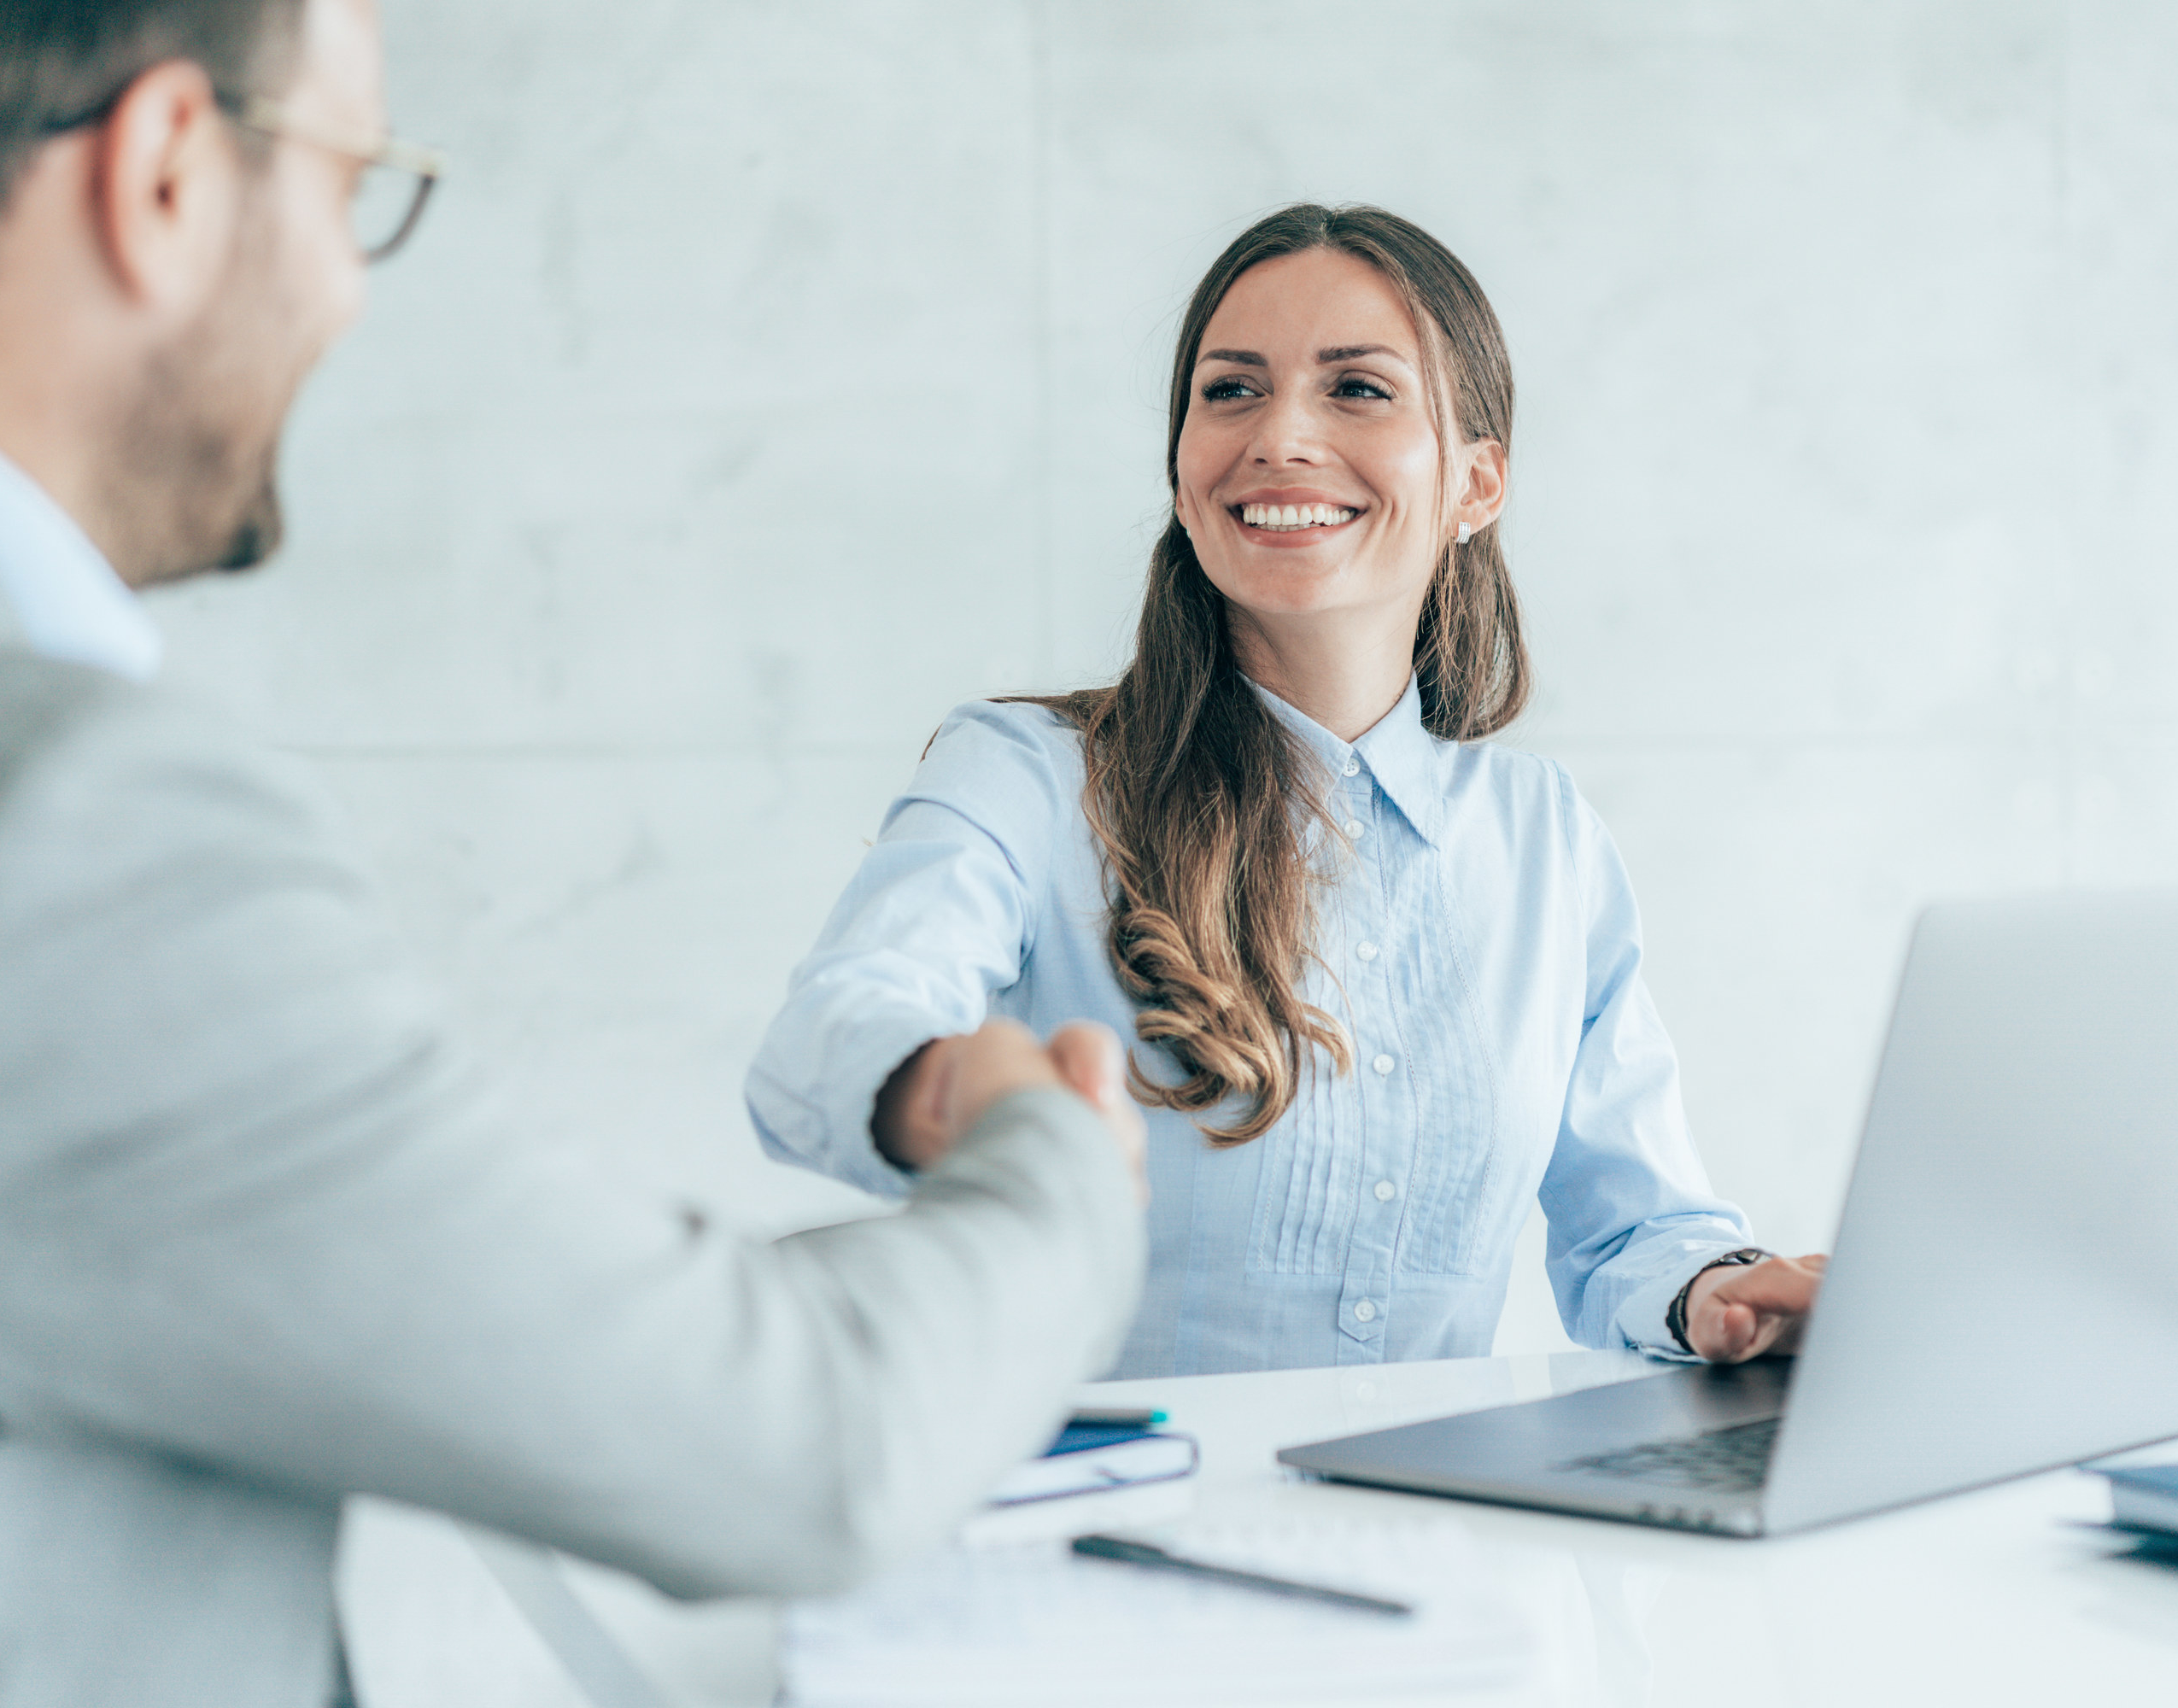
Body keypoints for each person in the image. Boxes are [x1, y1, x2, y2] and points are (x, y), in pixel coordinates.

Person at [0, 2, 1146, 1704]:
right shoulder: (48, 820)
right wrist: (1049, 1156)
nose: (348, 288)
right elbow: (797, 1446)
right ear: (169, 171)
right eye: (358, 188)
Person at [748, 203, 1824, 1380]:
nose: (1280, 439)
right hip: (1090, 1534)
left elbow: (1637, 1230)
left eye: (1357, 389)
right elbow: (822, 1045)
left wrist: (1723, 1295)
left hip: (1433, 1529)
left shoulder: (1543, 838)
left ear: (1477, 483)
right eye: (1231, 390)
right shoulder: (1026, 778)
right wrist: (958, 1086)